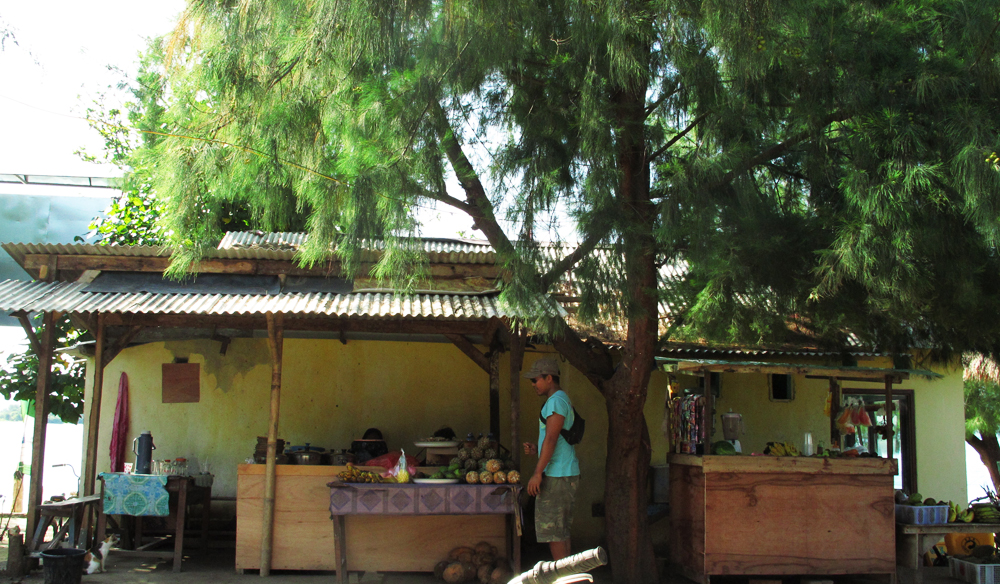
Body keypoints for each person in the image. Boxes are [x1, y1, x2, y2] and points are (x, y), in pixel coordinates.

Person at [522, 356, 580, 561]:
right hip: (564, 472)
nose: (533, 385)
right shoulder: (561, 399)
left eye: (535, 380)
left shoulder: (555, 401)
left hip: (557, 476)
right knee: (561, 532)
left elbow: (552, 439)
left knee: (554, 533)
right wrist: (538, 449)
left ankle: (565, 579)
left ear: (549, 378)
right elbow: (554, 440)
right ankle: (568, 577)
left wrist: (537, 473)